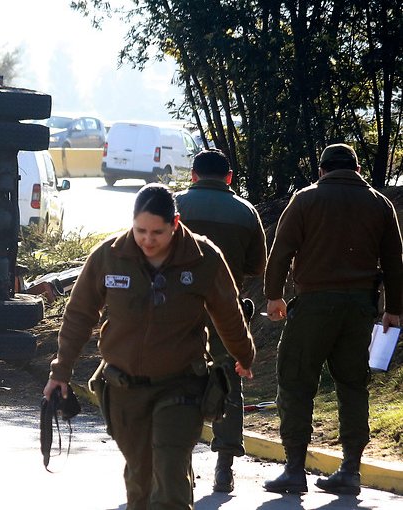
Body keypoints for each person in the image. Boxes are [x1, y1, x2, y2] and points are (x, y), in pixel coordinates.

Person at [44, 183, 255, 510]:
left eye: (157, 231)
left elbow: (227, 311)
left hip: (181, 384)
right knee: (140, 482)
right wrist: (61, 371)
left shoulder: (203, 257)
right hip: (124, 388)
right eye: (140, 230)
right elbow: (79, 315)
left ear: (176, 222)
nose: (148, 239)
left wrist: (243, 355)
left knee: (169, 477)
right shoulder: (110, 256)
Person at [263, 143, 403, 495]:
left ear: (322, 170)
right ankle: (351, 470)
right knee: (353, 386)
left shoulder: (306, 199)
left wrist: (274, 295)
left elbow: (281, 249)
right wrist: (394, 308)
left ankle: (295, 470)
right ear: (357, 169)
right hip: (359, 309)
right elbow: (394, 260)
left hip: (312, 305)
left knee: (296, 382)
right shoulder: (379, 204)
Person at [175, 149, 267, 493]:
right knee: (229, 376)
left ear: (194, 176)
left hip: (177, 307)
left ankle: (180, 460)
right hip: (224, 307)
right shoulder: (245, 211)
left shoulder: (173, 206)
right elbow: (257, 266)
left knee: (176, 376)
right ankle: (225, 465)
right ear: (229, 178)